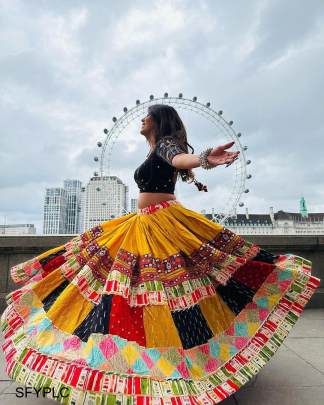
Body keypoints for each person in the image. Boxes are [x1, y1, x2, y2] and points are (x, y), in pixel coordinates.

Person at [0, 104, 320, 405]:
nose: (142, 119)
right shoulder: (156, 149)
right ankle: (143, 361)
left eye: (147, 116)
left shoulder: (166, 144)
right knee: (134, 287)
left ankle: (171, 361)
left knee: (160, 291)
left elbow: (181, 160)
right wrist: (198, 174)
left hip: (161, 225)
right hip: (144, 224)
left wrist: (205, 159)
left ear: (158, 121)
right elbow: (177, 166)